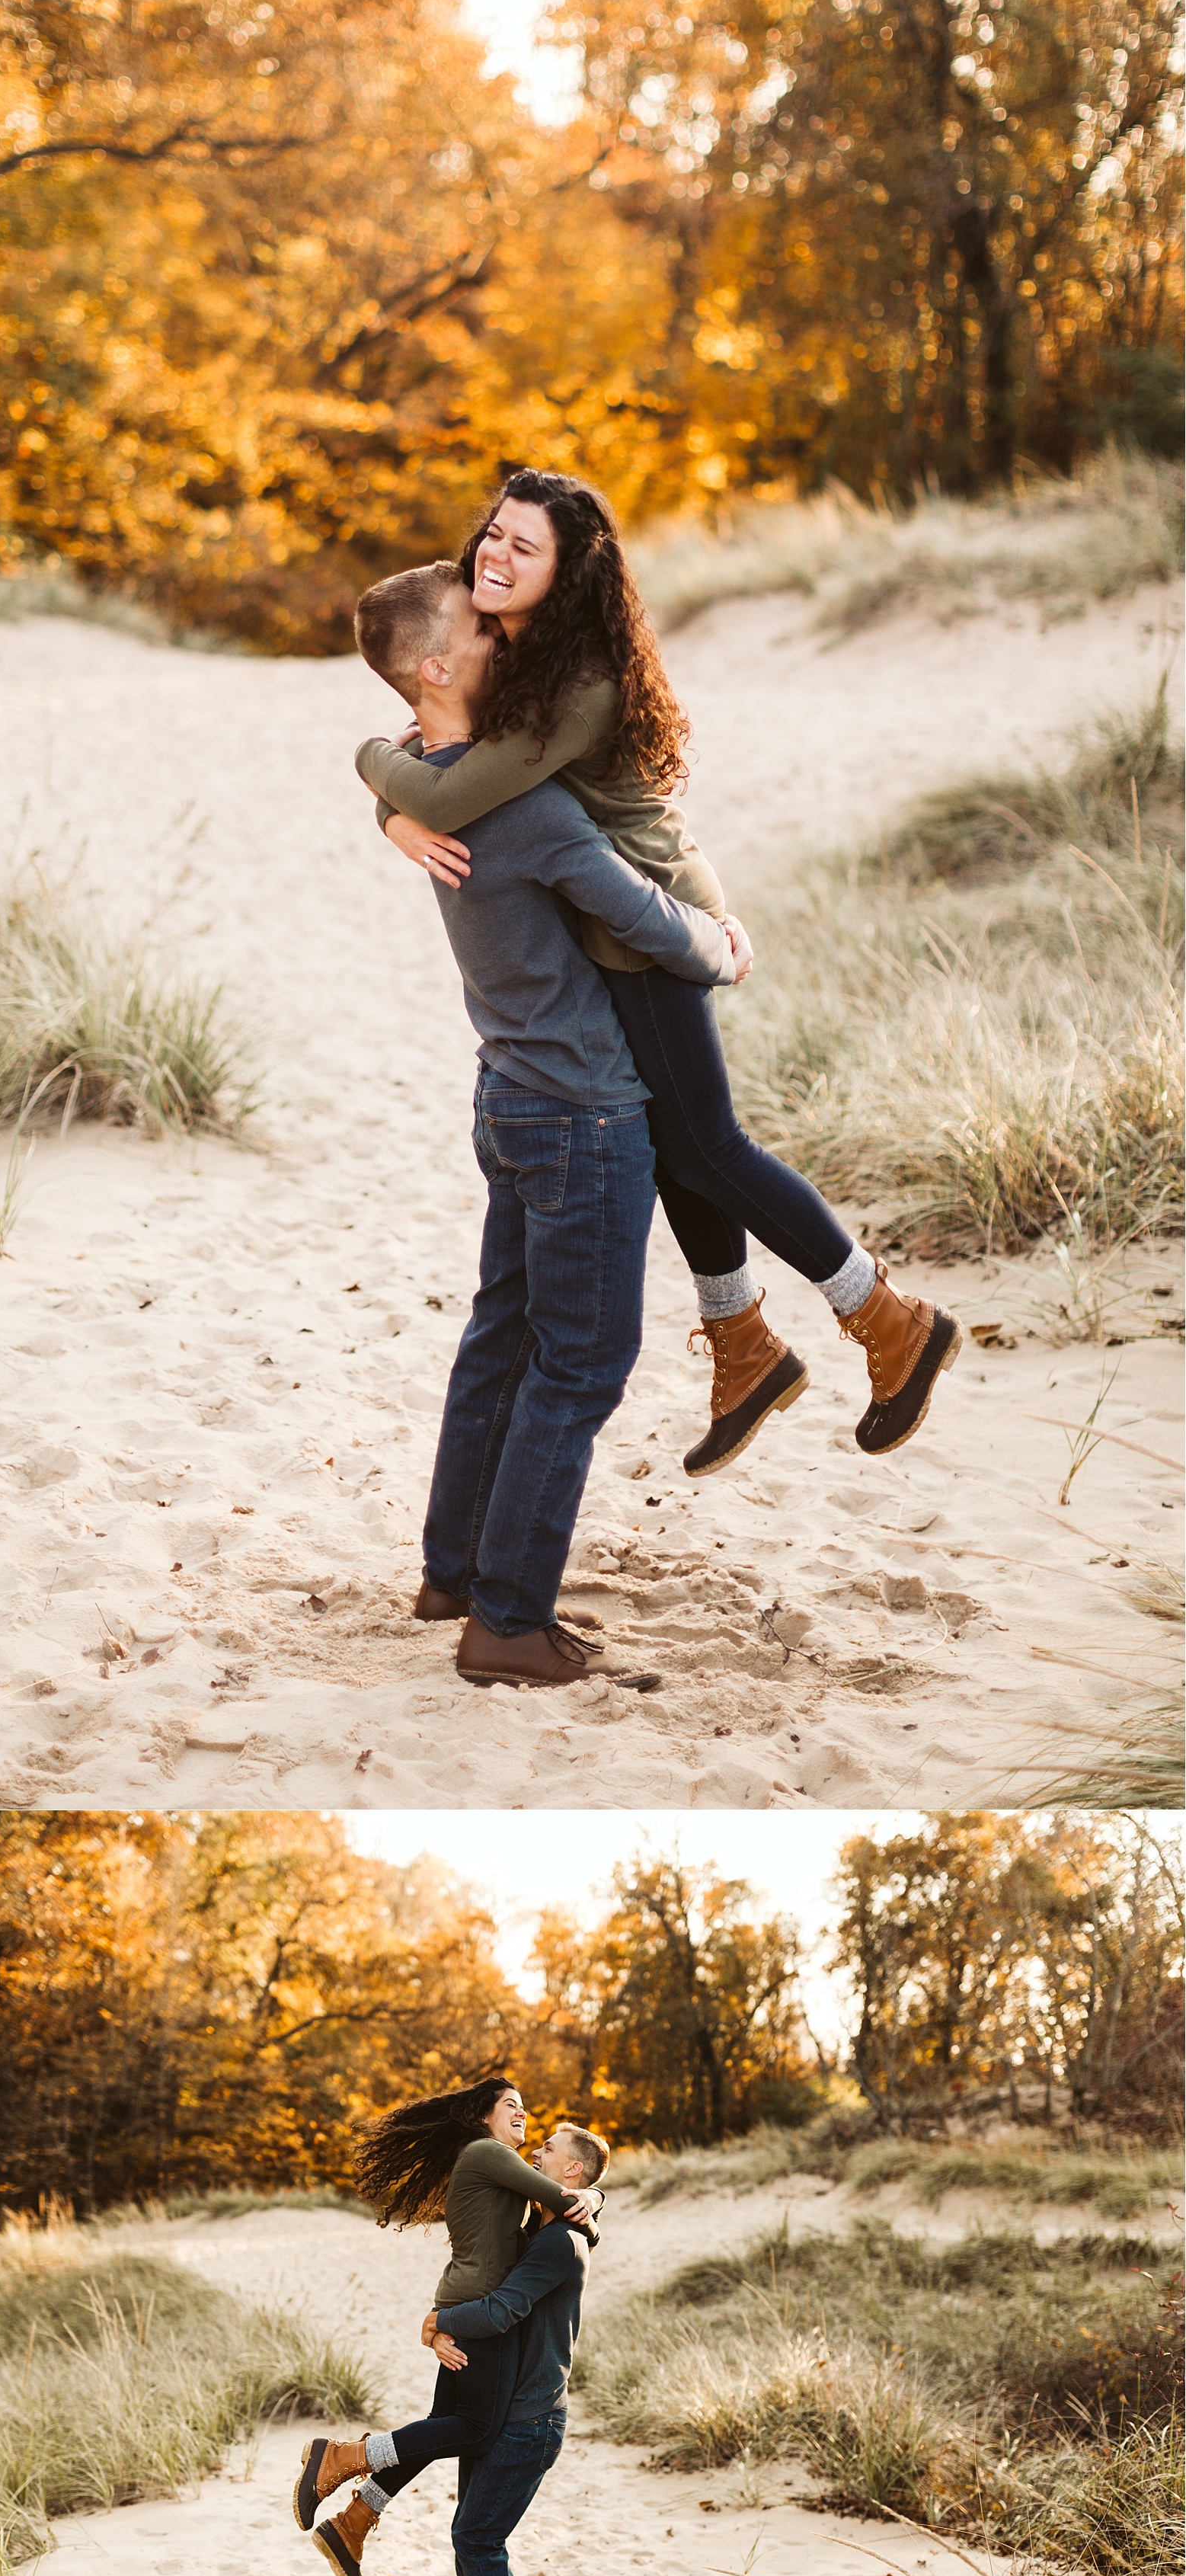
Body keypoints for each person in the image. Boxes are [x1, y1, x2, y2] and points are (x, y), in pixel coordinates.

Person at [355, 469, 961, 1476]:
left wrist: (374, 772)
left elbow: (452, 790)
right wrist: (396, 810)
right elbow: (441, 758)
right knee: (679, 1144)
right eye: (491, 537)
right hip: (616, 930)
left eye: (523, 548)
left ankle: (888, 1319)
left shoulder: (579, 681)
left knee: (708, 1145)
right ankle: (745, 1344)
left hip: (653, 928)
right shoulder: (508, 650)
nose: (495, 557)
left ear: (567, 571)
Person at [350, 558, 743, 1685]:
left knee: (502, 1337)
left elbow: (399, 778)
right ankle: (509, 1621)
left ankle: (455, 1572)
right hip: (581, 1113)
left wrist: (380, 800)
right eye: (481, 625)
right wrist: (724, 942)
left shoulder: (435, 780)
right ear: (436, 665)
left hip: (510, 1092)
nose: (502, 631)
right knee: (580, 1365)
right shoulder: (515, 800)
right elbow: (646, 921)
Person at [293, 2088, 609, 2576]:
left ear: (568, 2167)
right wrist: (592, 2198)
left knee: (461, 2451)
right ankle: (356, 2509)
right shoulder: (492, 2160)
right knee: (462, 2456)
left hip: (497, 2355)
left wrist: (441, 2322)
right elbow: (571, 2204)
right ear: (484, 2113)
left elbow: (538, 2263)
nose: (532, 2135)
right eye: (513, 2106)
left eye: (549, 2145)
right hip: (479, 2330)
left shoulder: (551, 2234)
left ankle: (354, 2498)